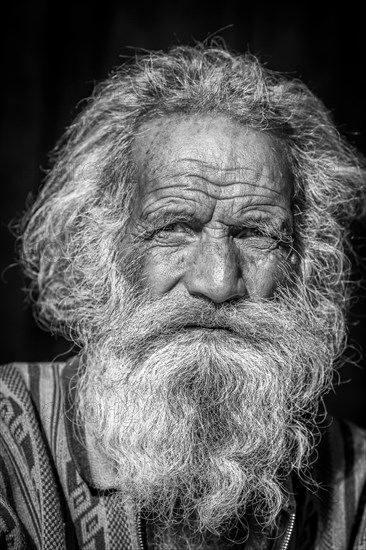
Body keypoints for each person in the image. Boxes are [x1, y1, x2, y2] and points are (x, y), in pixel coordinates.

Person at [1, 43, 366, 550]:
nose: (217, 282)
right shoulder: (7, 439)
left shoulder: (358, 482)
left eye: (257, 233)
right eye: (174, 227)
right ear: (97, 246)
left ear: (307, 263)